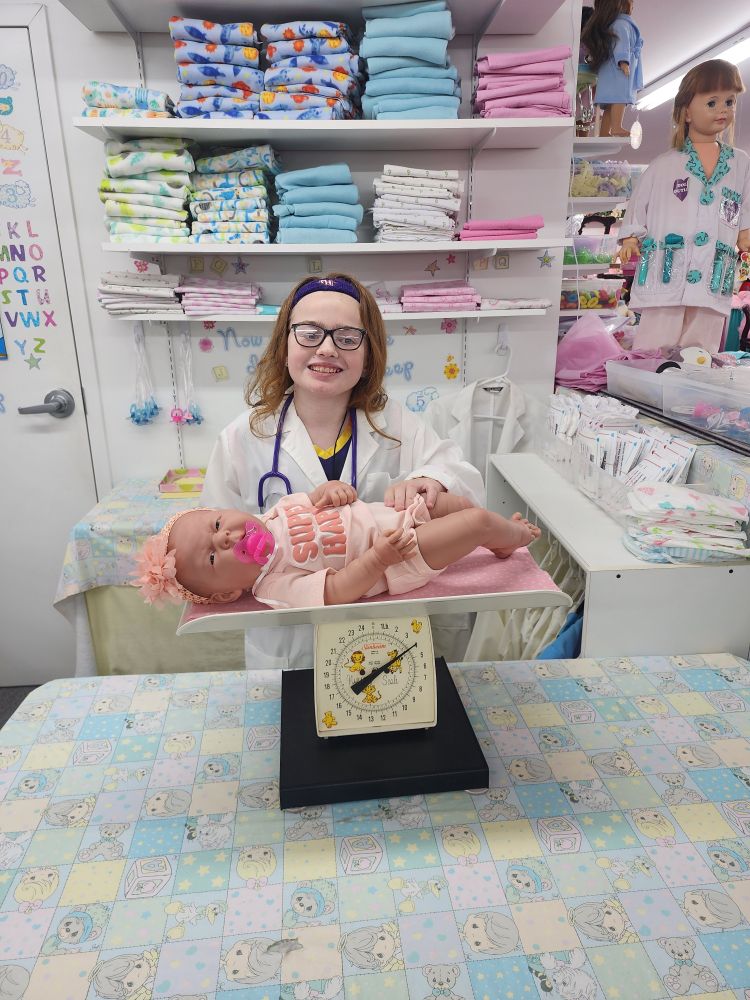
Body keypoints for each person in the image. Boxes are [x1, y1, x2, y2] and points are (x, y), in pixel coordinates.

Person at [201, 272, 486, 666]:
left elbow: (465, 481)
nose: (328, 349)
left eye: (348, 338)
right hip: (289, 642)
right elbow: (205, 541)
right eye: (309, 333)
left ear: (368, 354)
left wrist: (431, 480)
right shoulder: (242, 437)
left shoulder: (394, 424)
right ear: (284, 344)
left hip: (384, 634)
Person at [134, 485, 540, 609]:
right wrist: (379, 557)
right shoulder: (273, 585)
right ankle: (518, 536)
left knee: (456, 505)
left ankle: (500, 544)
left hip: (395, 516)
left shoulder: (278, 512)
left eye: (218, 524)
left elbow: (322, 500)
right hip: (399, 555)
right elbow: (338, 591)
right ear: (226, 592)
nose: (225, 537)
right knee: (476, 522)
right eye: (212, 556)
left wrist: (332, 492)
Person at [619, 59, 750, 353]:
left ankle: (691, 395)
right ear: (687, 111)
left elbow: (746, 204)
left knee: (699, 353)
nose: (723, 110)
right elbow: (639, 203)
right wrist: (630, 237)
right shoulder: (664, 164)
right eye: (712, 102)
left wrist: (745, 232)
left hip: (713, 272)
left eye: (729, 102)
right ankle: (648, 391)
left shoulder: (741, 163)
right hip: (667, 270)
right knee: (655, 347)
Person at [581, 0, 643, 137]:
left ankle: (604, 132)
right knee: (619, 98)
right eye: (631, 3)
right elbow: (621, 44)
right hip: (618, 68)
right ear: (621, 5)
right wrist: (623, 62)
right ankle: (616, 127)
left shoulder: (619, 23)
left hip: (615, 68)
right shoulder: (621, 24)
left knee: (611, 102)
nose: (633, 7)